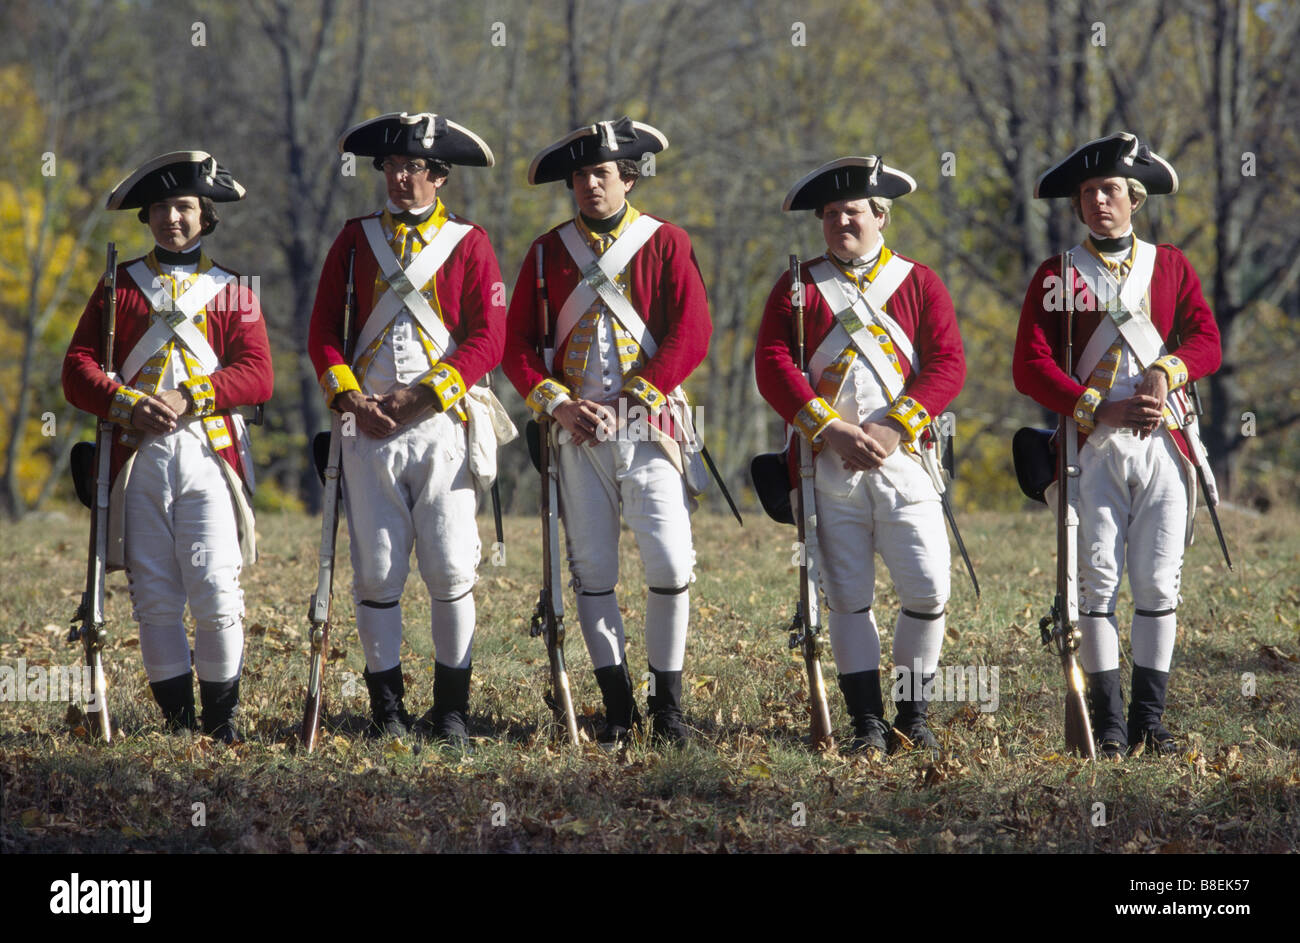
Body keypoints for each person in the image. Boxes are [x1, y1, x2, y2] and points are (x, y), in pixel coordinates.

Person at [502, 118, 712, 745]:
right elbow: (515, 347)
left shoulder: (666, 242)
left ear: (628, 177)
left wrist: (635, 398)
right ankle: (618, 706)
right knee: (593, 573)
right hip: (575, 434)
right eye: (581, 175)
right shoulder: (545, 251)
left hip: (648, 427)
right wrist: (557, 403)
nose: (591, 184)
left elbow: (691, 332)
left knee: (672, 564)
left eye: (602, 173)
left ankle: (667, 705)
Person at [1013, 131, 1222, 758]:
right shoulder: (1057, 275)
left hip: (1164, 446)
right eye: (1087, 193)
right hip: (1090, 446)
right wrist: (1098, 406)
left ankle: (1149, 722)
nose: (1099, 201)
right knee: (1096, 583)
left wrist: (1168, 370)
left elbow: (1205, 341)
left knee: (1159, 584)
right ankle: (1106, 725)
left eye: (1110, 190)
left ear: (1134, 198)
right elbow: (1031, 364)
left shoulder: (1173, 266)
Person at [307, 111, 511, 742]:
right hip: (367, 426)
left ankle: (452, 709)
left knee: (451, 569)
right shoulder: (353, 239)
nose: (402, 178)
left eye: (415, 167)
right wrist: (349, 399)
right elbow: (322, 335)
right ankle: (387, 712)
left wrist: (426, 394)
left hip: (443, 423)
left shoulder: (470, 243)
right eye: (393, 167)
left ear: (440, 176)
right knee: (376, 572)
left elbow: (489, 336)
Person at [754, 156, 967, 754]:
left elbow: (948, 362)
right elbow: (772, 365)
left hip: (905, 460)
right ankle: (866, 722)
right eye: (831, 214)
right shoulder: (797, 286)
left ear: (881, 216)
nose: (841, 221)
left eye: (854, 211)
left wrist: (900, 424)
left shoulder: (919, 282)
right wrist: (828, 428)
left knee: (926, 589)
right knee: (847, 596)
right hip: (826, 463)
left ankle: (913, 713)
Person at [63, 151, 273, 743]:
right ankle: (179, 728)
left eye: (182, 207)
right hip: (137, 459)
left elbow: (258, 373)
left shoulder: (233, 289)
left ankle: (222, 724)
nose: (170, 219)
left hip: (207, 454)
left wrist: (192, 396)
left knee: (214, 589)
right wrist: (126, 402)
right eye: (159, 208)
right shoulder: (118, 284)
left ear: (204, 215)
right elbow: (76, 369)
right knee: (154, 597)